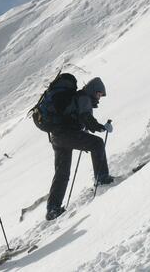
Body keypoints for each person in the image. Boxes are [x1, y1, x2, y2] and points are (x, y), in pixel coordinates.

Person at [46, 77, 114, 221]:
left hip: (57, 136)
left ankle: (53, 209)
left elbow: (79, 119)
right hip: (66, 135)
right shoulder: (84, 98)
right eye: (99, 94)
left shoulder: (77, 97)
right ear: (93, 90)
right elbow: (86, 118)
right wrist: (101, 127)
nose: (99, 98)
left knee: (61, 172)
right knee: (97, 144)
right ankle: (102, 178)